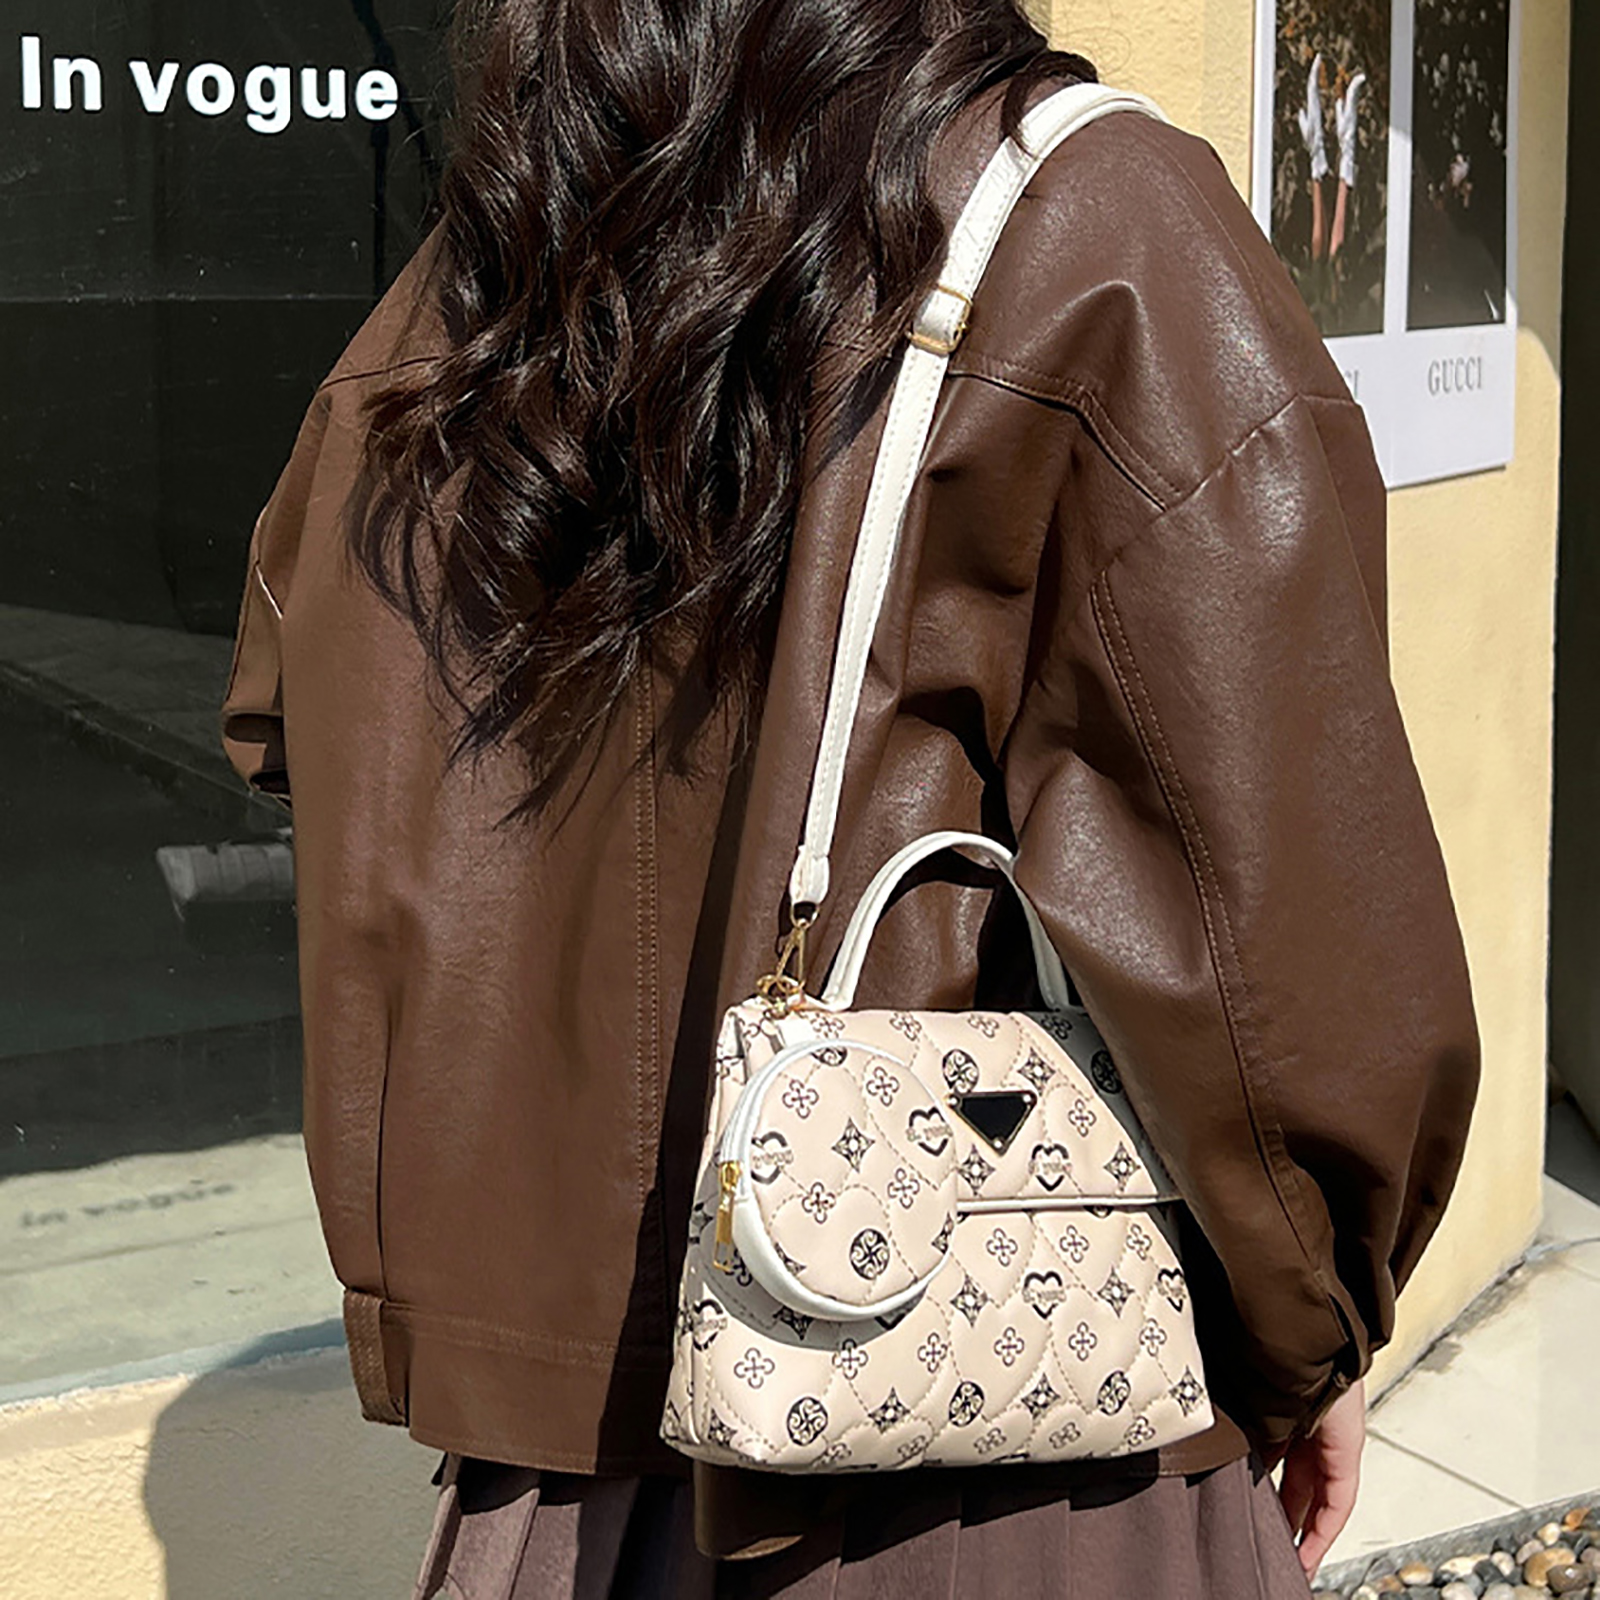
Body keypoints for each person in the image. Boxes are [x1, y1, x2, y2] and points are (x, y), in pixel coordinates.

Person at [218, 1, 1480, 1595]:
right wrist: (1317, 1317)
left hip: (558, 1503)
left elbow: (288, 713)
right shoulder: (1089, 221)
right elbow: (1280, 936)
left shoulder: (506, 256)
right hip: (991, 1451)